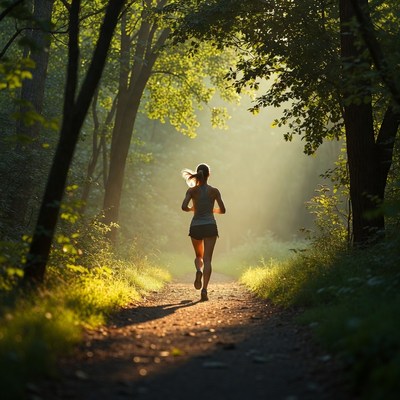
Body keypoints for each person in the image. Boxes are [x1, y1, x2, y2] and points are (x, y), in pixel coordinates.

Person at [181, 163, 226, 301]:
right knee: (207, 259)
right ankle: (204, 290)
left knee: (198, 256)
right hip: (210, 226)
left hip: (196, 226)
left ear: (198, 174)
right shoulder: (215, 191)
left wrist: (191, 209)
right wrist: (212, 211)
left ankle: (198, 271)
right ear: (208, 175)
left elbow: (183, 207)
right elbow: (223, 210)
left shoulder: (191, 191)